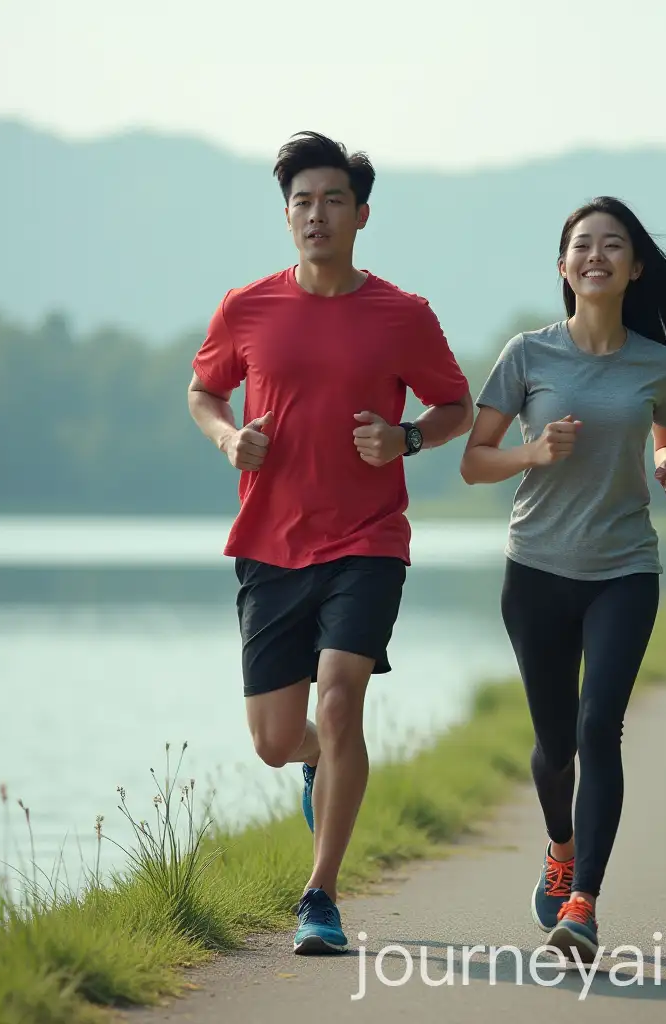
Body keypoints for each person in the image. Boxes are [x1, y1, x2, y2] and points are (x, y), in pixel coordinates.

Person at [460, 196, 666, 961]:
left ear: (633, 268)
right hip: (535, 569)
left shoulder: (653, 362)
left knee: (601, 727)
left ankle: (584, 903)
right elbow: (473, 461)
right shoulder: (526, 355)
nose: (596, 255)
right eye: (582, 245)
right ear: (564, 267)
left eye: (613, 245)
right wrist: (533, 454)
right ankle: (559, 849)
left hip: (625, 568)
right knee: (555, 741)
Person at [187, 131, 473, 955]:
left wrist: (409, 439)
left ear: (362, 214)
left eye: (333, 200)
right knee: (277, 741)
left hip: (368, 538)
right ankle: (320, 759)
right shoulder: (247, 307)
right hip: (270, 544)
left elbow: (453, 406)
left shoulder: (403, 314)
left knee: (341, 692)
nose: (317, 214)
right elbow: (205, 391)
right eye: (303, 202)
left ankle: (320, 894)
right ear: (287, 218)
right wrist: (227, 438)